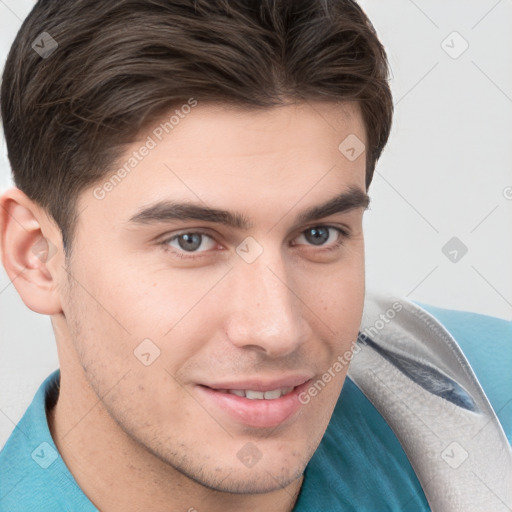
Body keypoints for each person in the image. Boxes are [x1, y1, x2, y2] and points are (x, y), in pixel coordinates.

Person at [0, 1, 510, 511]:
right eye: (191, 241)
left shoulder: (492, 405)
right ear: (36, 255)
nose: (277, 329)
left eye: (317, 234)